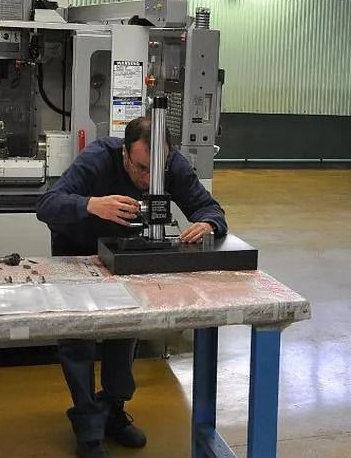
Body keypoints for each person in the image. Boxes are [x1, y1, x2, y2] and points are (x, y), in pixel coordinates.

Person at [36, 116, 227, 458]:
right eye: (141, 169)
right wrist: (91, 204)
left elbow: (210, 208)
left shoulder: (169, 164)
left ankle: (113, 410)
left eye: (156, 170)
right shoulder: (98, 158)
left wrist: (208, 223)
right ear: (124, 153)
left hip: (125, 258)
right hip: (77, 254)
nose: (148, 180)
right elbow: (47, 205)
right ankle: (88, 428)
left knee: (123, 335)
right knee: (78, 341)